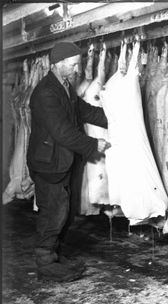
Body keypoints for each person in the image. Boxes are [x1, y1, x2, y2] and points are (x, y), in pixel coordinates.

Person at [27, 42, 111, 282]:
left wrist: (116, 118)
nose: (76, 70)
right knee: (53, 213)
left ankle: (56, 256)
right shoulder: (45, 92)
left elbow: (82, 111)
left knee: (66, 211)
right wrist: (92, 144)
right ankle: (46, 265)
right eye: (73, 65)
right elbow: (61, 131)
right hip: (49, 164)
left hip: (64, 161)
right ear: (58, 64)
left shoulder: (64, 87)